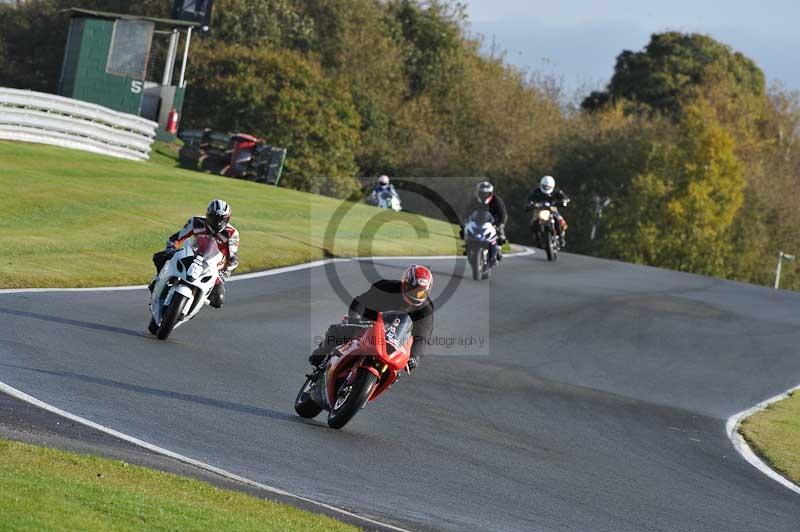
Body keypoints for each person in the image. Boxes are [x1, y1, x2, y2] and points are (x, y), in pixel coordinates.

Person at [309, 265, 434, 372]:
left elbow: (423, 336)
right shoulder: (386, 287)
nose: (416, 295)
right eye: (412, 290)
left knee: (397, 369)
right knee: (340, 331)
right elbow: (359, 302)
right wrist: (354, 319)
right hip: (369, 323)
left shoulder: (426, 309)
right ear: (404, 284)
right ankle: (321, 353)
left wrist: (415, 357)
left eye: (421, 293)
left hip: (396, 338)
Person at [149, 199, 239, 308]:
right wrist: (172, 249)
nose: (218, 222)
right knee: (159, 257)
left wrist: (224, 272)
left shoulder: (232, 233)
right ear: (208, 215)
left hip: (213, 268)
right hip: (192, 256)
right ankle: (158, 280)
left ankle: (194, 305)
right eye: (215, 218)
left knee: (218, 301)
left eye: (222, 219)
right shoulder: (196, 222)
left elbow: (233, 259)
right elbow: (176, 238)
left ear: (228, 219)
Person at [461, 181, 508, 263]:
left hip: (493, 222)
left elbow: (503, 214)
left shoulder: (497, 201)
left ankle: (498, 248)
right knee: (464, 230)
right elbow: (466, 212)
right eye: (482, 193)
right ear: (478, 193)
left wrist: (500, 224)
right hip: (478, 221)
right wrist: (464, 222)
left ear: (491, 193)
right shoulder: (474, 201)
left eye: (486, 194)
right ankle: (468, 246)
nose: (484, 196)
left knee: (500, 233)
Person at [526, 175, 570, 247]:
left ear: (552, 186)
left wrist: (564, 201)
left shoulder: (556, 192)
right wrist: (530, 204)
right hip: (540, 209)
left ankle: (561, 238)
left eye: (548, 187)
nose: (546, 188)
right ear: (541, 185)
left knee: (561, 221)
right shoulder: (536, 191)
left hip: (552, 208)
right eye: (544, 186)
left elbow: (565, 197)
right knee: (533, 223)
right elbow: (530, 199)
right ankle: (537, 238)